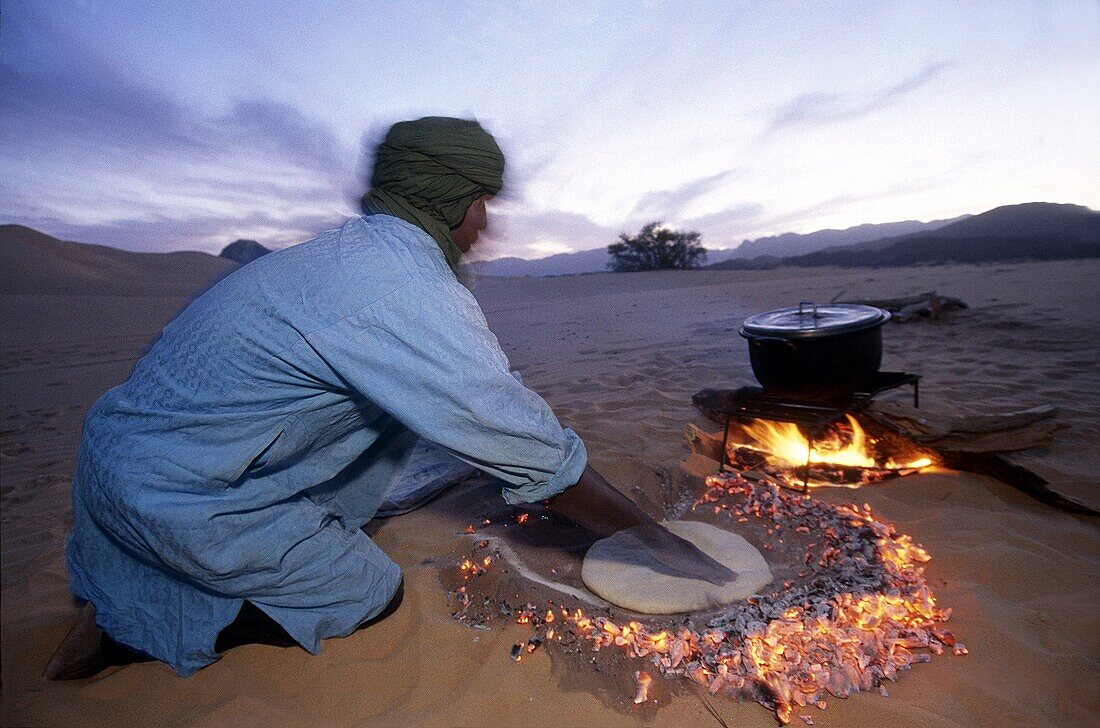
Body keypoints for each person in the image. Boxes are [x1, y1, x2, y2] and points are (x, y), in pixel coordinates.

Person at [47, 116, 733, 680]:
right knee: (369, 591)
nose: (486, 223)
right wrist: (659, 544)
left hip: (129, 456)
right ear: (451, 202)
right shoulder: (403, 288)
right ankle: (135, 629)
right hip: (175, 494)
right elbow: (531, 449)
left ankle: (149, 583)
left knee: (423, 464)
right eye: (481, 201)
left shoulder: (355, 254)